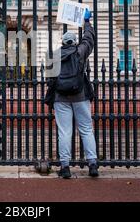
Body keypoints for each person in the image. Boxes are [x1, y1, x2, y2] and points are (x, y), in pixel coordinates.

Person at [45, 9, 98, 178]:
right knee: (86, 129)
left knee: (64, 131)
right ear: (74, 42)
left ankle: (65, 166)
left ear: (62, 42)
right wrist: (87, 22)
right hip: (80, 95)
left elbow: (50, 79)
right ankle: (92, 164)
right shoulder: (79, 52)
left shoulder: (53, 56)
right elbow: (89, 39)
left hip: (61, 98)